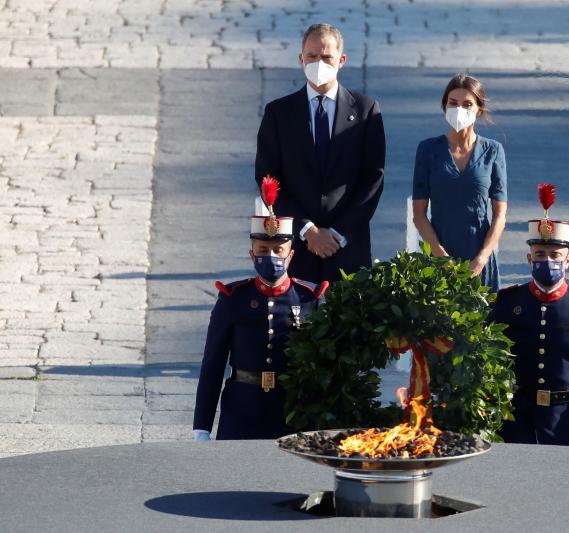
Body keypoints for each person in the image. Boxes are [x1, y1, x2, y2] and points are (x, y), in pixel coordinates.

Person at [193, 178, 328, 440]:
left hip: (292, 412)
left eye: (278, 250)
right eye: (263, 250)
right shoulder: (233, 298)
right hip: (241, 410)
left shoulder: (310, 298)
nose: (271, 257)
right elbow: (213, 364)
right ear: (252, 255)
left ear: (290, 256)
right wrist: (202, 426)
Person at [489, 183, 569, 448]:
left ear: (568, 261)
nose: (547, 261)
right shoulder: (506, 304)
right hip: (515, 426)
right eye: (540, 254)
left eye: (554, 255)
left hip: (566, 427)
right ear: (528, 259)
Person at [254, 23, 386, 284]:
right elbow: (267, 176)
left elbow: (373, 178)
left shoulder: (365, 111)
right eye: (312, 56)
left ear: (341, 60)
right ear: (301, 59)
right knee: (295, 324)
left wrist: (338, 233)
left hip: (347, 247)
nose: (319, 62)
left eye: (326, 57)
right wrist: (308, 230)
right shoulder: (279, 113)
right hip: (295, 249)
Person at [412, 73, 507, 292]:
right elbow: (419, 214)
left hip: (479, 259)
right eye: (453, 103)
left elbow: (500, 214)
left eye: (467, 105)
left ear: (479, 110)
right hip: (438, 258)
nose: (459, 110)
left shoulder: (493, 150)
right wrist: (440, 256)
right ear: (444, 106)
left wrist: (482, 258)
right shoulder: (428, 150)